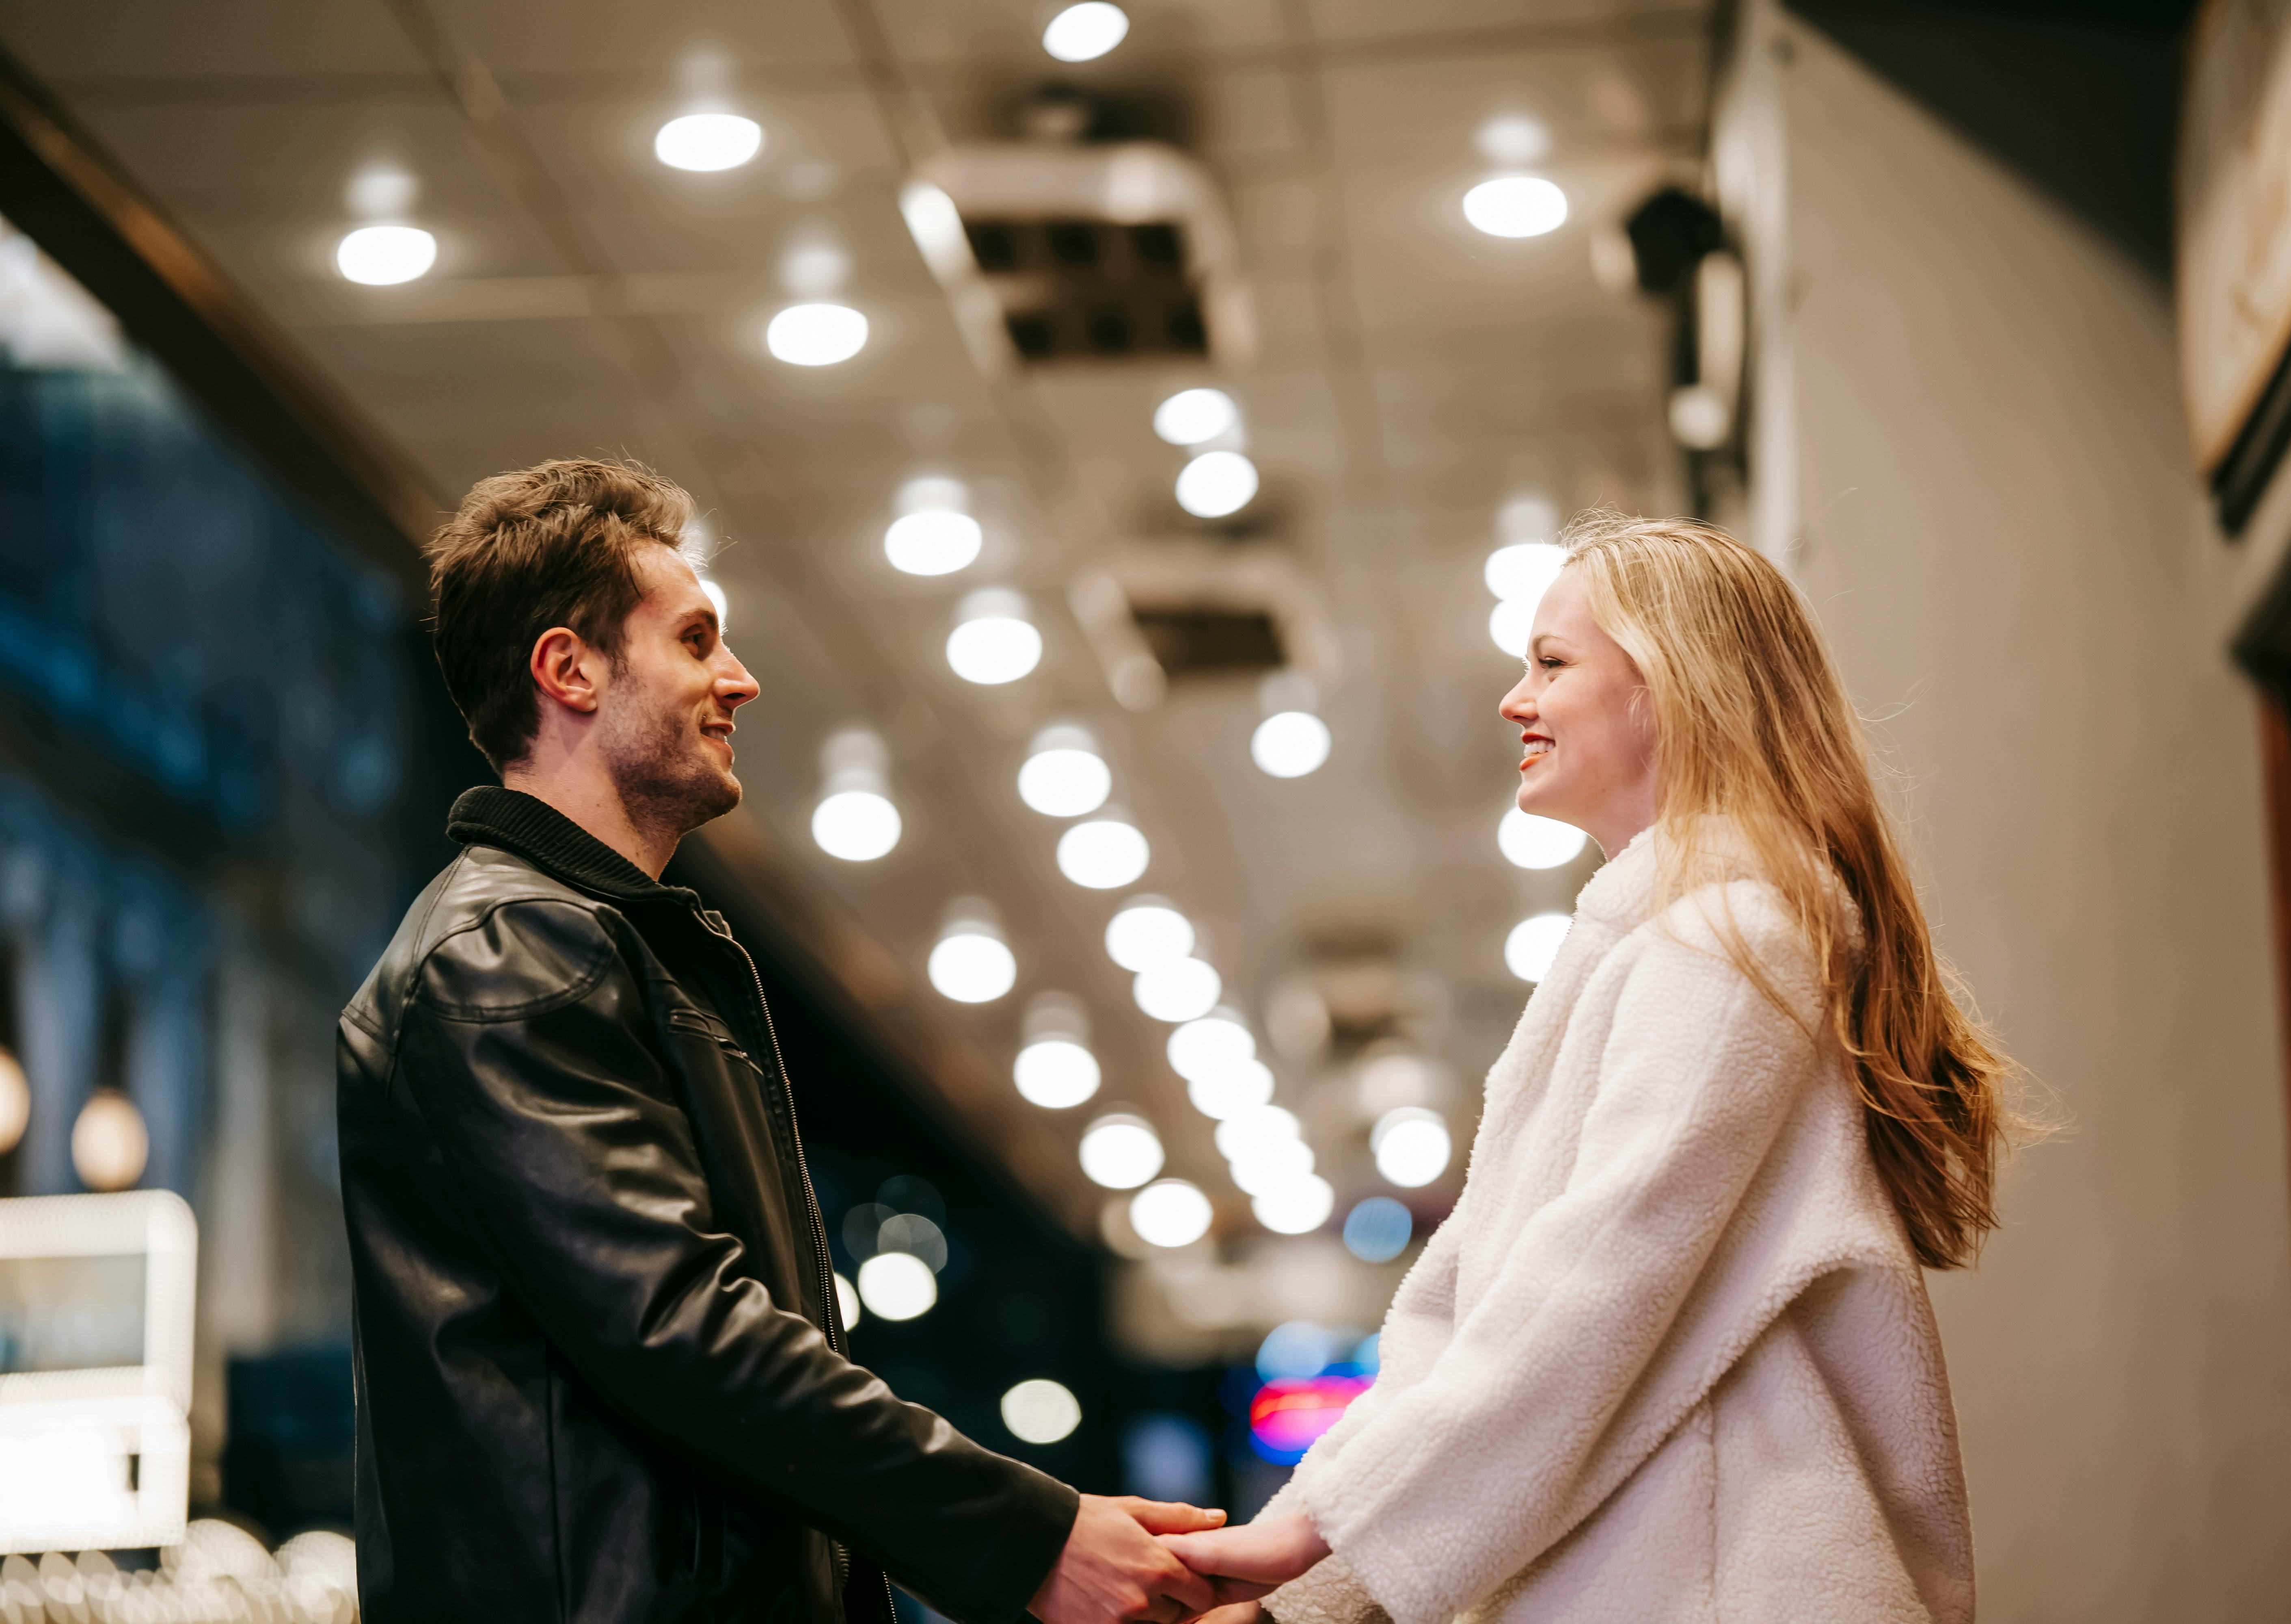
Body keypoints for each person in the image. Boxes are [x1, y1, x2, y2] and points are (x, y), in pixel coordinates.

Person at [338, 459, 1223, 1624]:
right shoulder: (508, 955)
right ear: (569, 671)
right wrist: (1030, 1539)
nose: (742, 680)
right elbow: (686, 1333)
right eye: (698, 640)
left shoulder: (596, 943)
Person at [1162, 512, 2011, 1623]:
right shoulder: (1667, 941)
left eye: (1552, 664)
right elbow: (1483, 1323)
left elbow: (1584, 1301)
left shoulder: (1731, 938)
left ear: (1669, 686)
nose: (1516, 702)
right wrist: (1314, 1584)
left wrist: (1303, 1554)